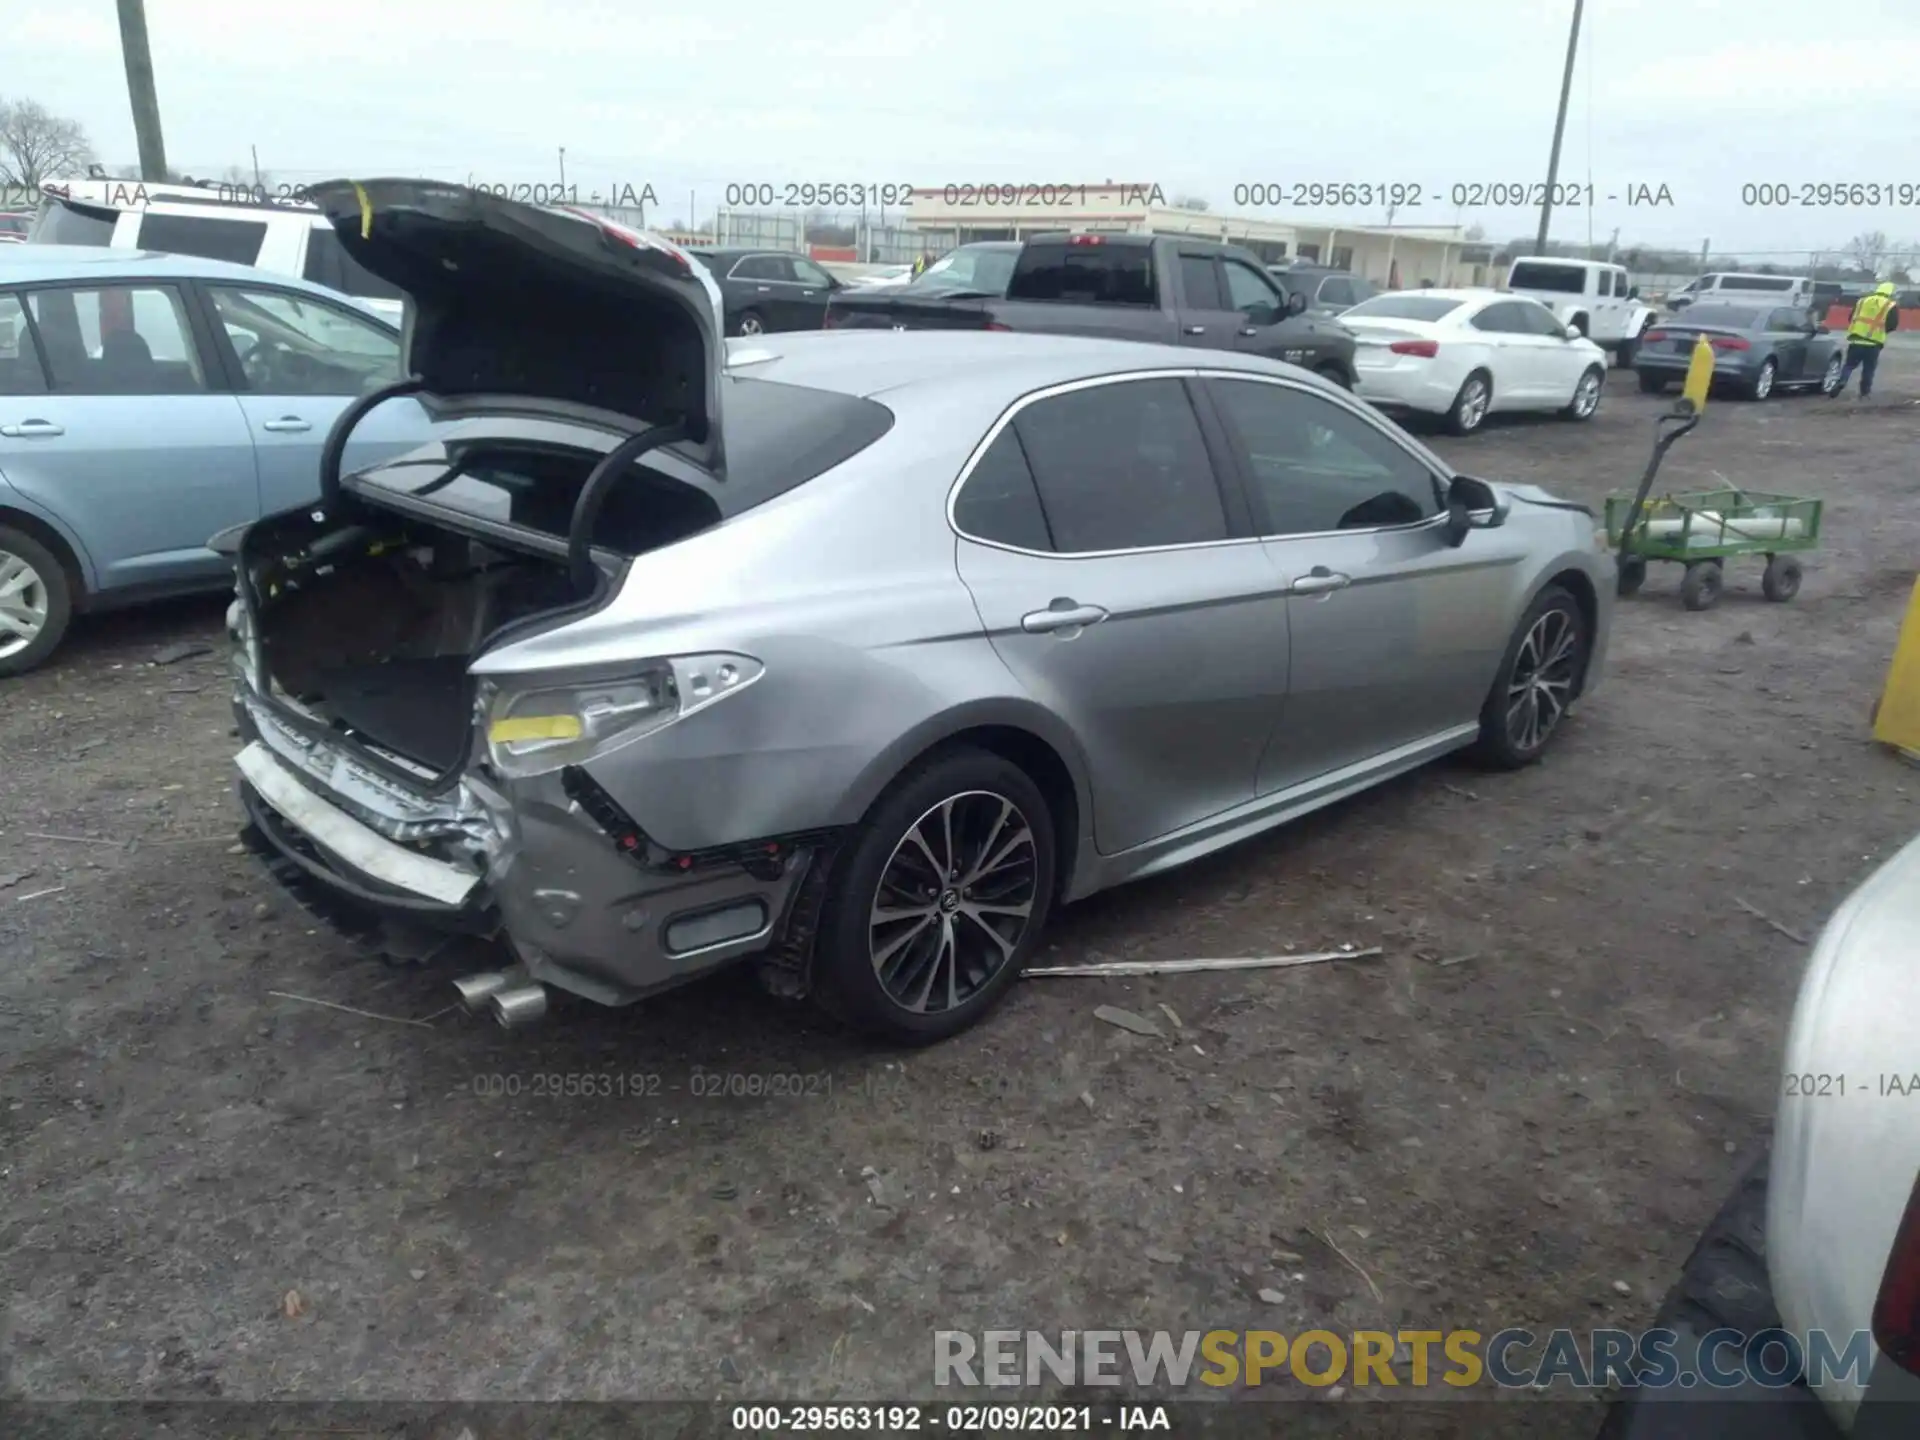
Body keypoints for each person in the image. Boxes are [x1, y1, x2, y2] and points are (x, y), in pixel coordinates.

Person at [1834, 281, 1899, 399]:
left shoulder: (1862, 301)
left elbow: (1851, 317)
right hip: (1873, 344)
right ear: (1890, 292)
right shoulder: (1890, 305)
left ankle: (1842, 381)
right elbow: (1892, 325)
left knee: (1849, 365)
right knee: (1868, 369)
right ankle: (1864, 393)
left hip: (1856, 340)